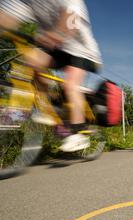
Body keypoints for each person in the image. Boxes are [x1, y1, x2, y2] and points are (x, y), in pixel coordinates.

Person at [0, 0, 102, 152]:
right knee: (31, 61)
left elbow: (71, 18)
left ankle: (79, 132)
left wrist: (56, 34)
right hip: (56, 48)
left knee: (70, 85)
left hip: (82, 50)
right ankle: (48, 107)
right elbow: (8, 18)